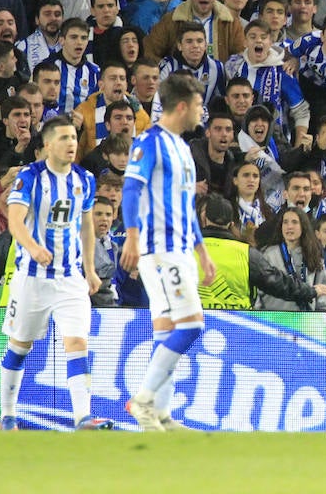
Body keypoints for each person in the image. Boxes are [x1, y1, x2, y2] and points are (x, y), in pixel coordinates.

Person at [0, 117, 111, 431]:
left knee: (76, 342)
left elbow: (86, 226)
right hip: (32, 278)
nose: (71, 143)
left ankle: (83, 417)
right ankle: (7, 414)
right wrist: (33, 247)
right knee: (20, 346)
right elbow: (15, 221)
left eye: (74, 137)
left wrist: (89, 270)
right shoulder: (29, 178)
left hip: (69, 277)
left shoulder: (85, 179)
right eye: (63, 138)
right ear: (47, 144)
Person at [120, 73, 218, 432]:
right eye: (197, 105)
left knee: (167, 329)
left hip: (181, 250)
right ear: (182, 106)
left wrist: (202, 251)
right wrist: (132, 236)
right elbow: (130, 190)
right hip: (159, 250)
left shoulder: (183, 148)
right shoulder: (149, 143)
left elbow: (186, 205)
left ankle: (160, 415)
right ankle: (143, 399)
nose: (201, 112)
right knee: (192, 324)